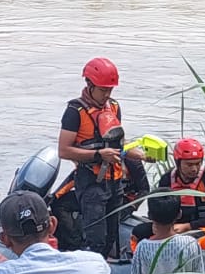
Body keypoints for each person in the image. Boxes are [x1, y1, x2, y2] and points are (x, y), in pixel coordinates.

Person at [56, 57, 147, 258]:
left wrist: (139, 155)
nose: (107, 94)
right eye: (103, 90)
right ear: (89, 84)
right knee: (96, 239)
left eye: (110, 90)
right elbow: (64, 150)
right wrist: (98, 155)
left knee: (111, 236)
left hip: (115, 183)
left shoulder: (113, 107)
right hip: (91, 184)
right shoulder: (74, 112)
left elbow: (118, 146)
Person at [130, 137, 205, 252]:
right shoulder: (167, 180)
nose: (194, 169)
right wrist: (161, 228)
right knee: (138, 232)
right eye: (189, 165)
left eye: (198, 164)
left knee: (192, 240)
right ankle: (140, 258)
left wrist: (188, 226)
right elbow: (160, 209)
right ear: (178, 162)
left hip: (204, 229)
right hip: (172, 227)